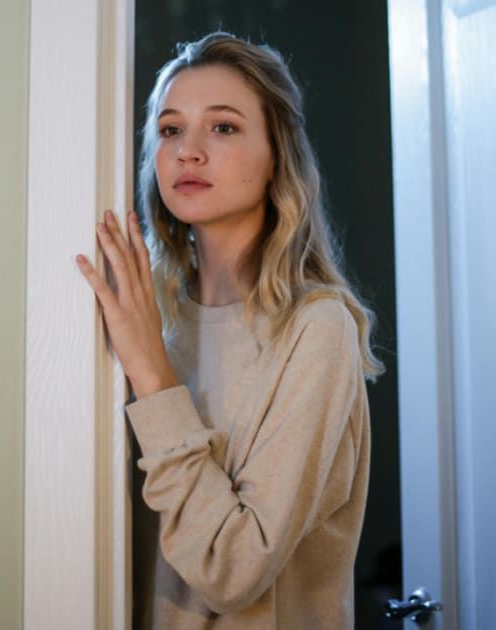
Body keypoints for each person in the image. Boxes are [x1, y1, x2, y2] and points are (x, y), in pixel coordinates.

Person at [76, 32, 382, 628]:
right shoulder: (149, 313)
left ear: (278, 155)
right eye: (170, 130)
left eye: (222, 127)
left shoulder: (316, 329)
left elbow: (233, 569)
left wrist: (153, 377)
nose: (188, 151)